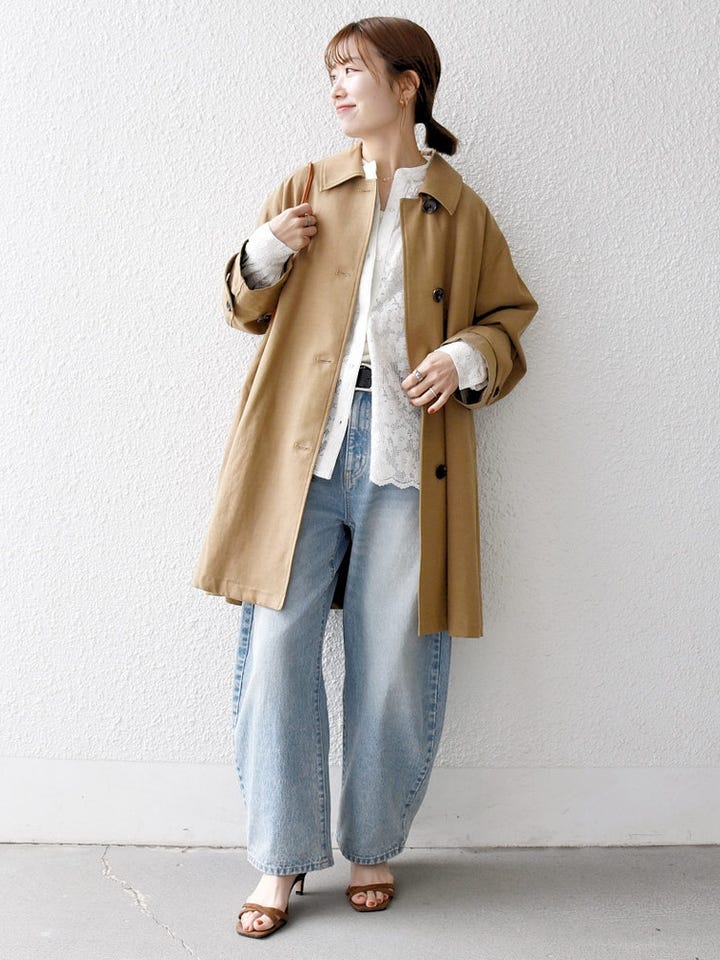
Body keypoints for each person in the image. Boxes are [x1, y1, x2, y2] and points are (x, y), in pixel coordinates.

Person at [192, 16, 538, 939]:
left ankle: (374, 843)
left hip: (407, 452)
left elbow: (510, 317)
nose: (338, 87)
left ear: (407, 84)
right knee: (276, 652)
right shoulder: (308, 186)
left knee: (392, 660)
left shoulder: (459, 207)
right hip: (300, 455)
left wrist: (466, 356)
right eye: (332, 73)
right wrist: (267, 249)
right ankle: (280, 855)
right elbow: (241, 307)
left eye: (353, 70)